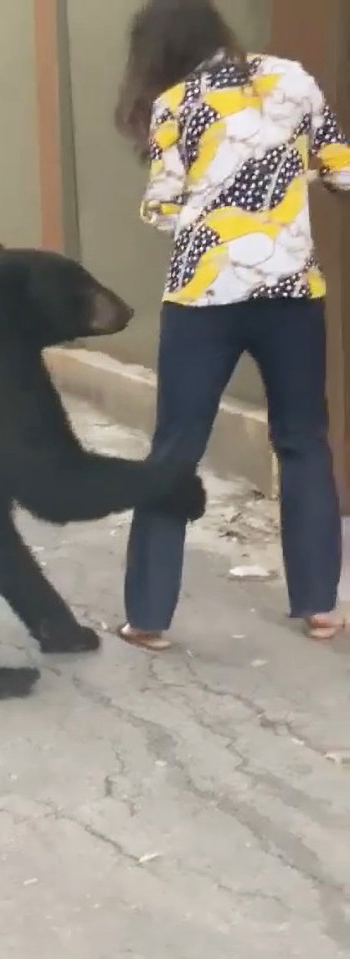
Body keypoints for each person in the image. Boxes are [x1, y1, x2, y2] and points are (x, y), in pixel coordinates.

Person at [114, 0, 350, 650]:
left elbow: (162, 209)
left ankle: (148, 616)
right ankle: (319, 606)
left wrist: (206, 201)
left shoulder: (173, 104)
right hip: (291, 290)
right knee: (303, 441)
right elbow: (340, 169)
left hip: (203, 299)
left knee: (175, 449)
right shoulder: (294, 80)